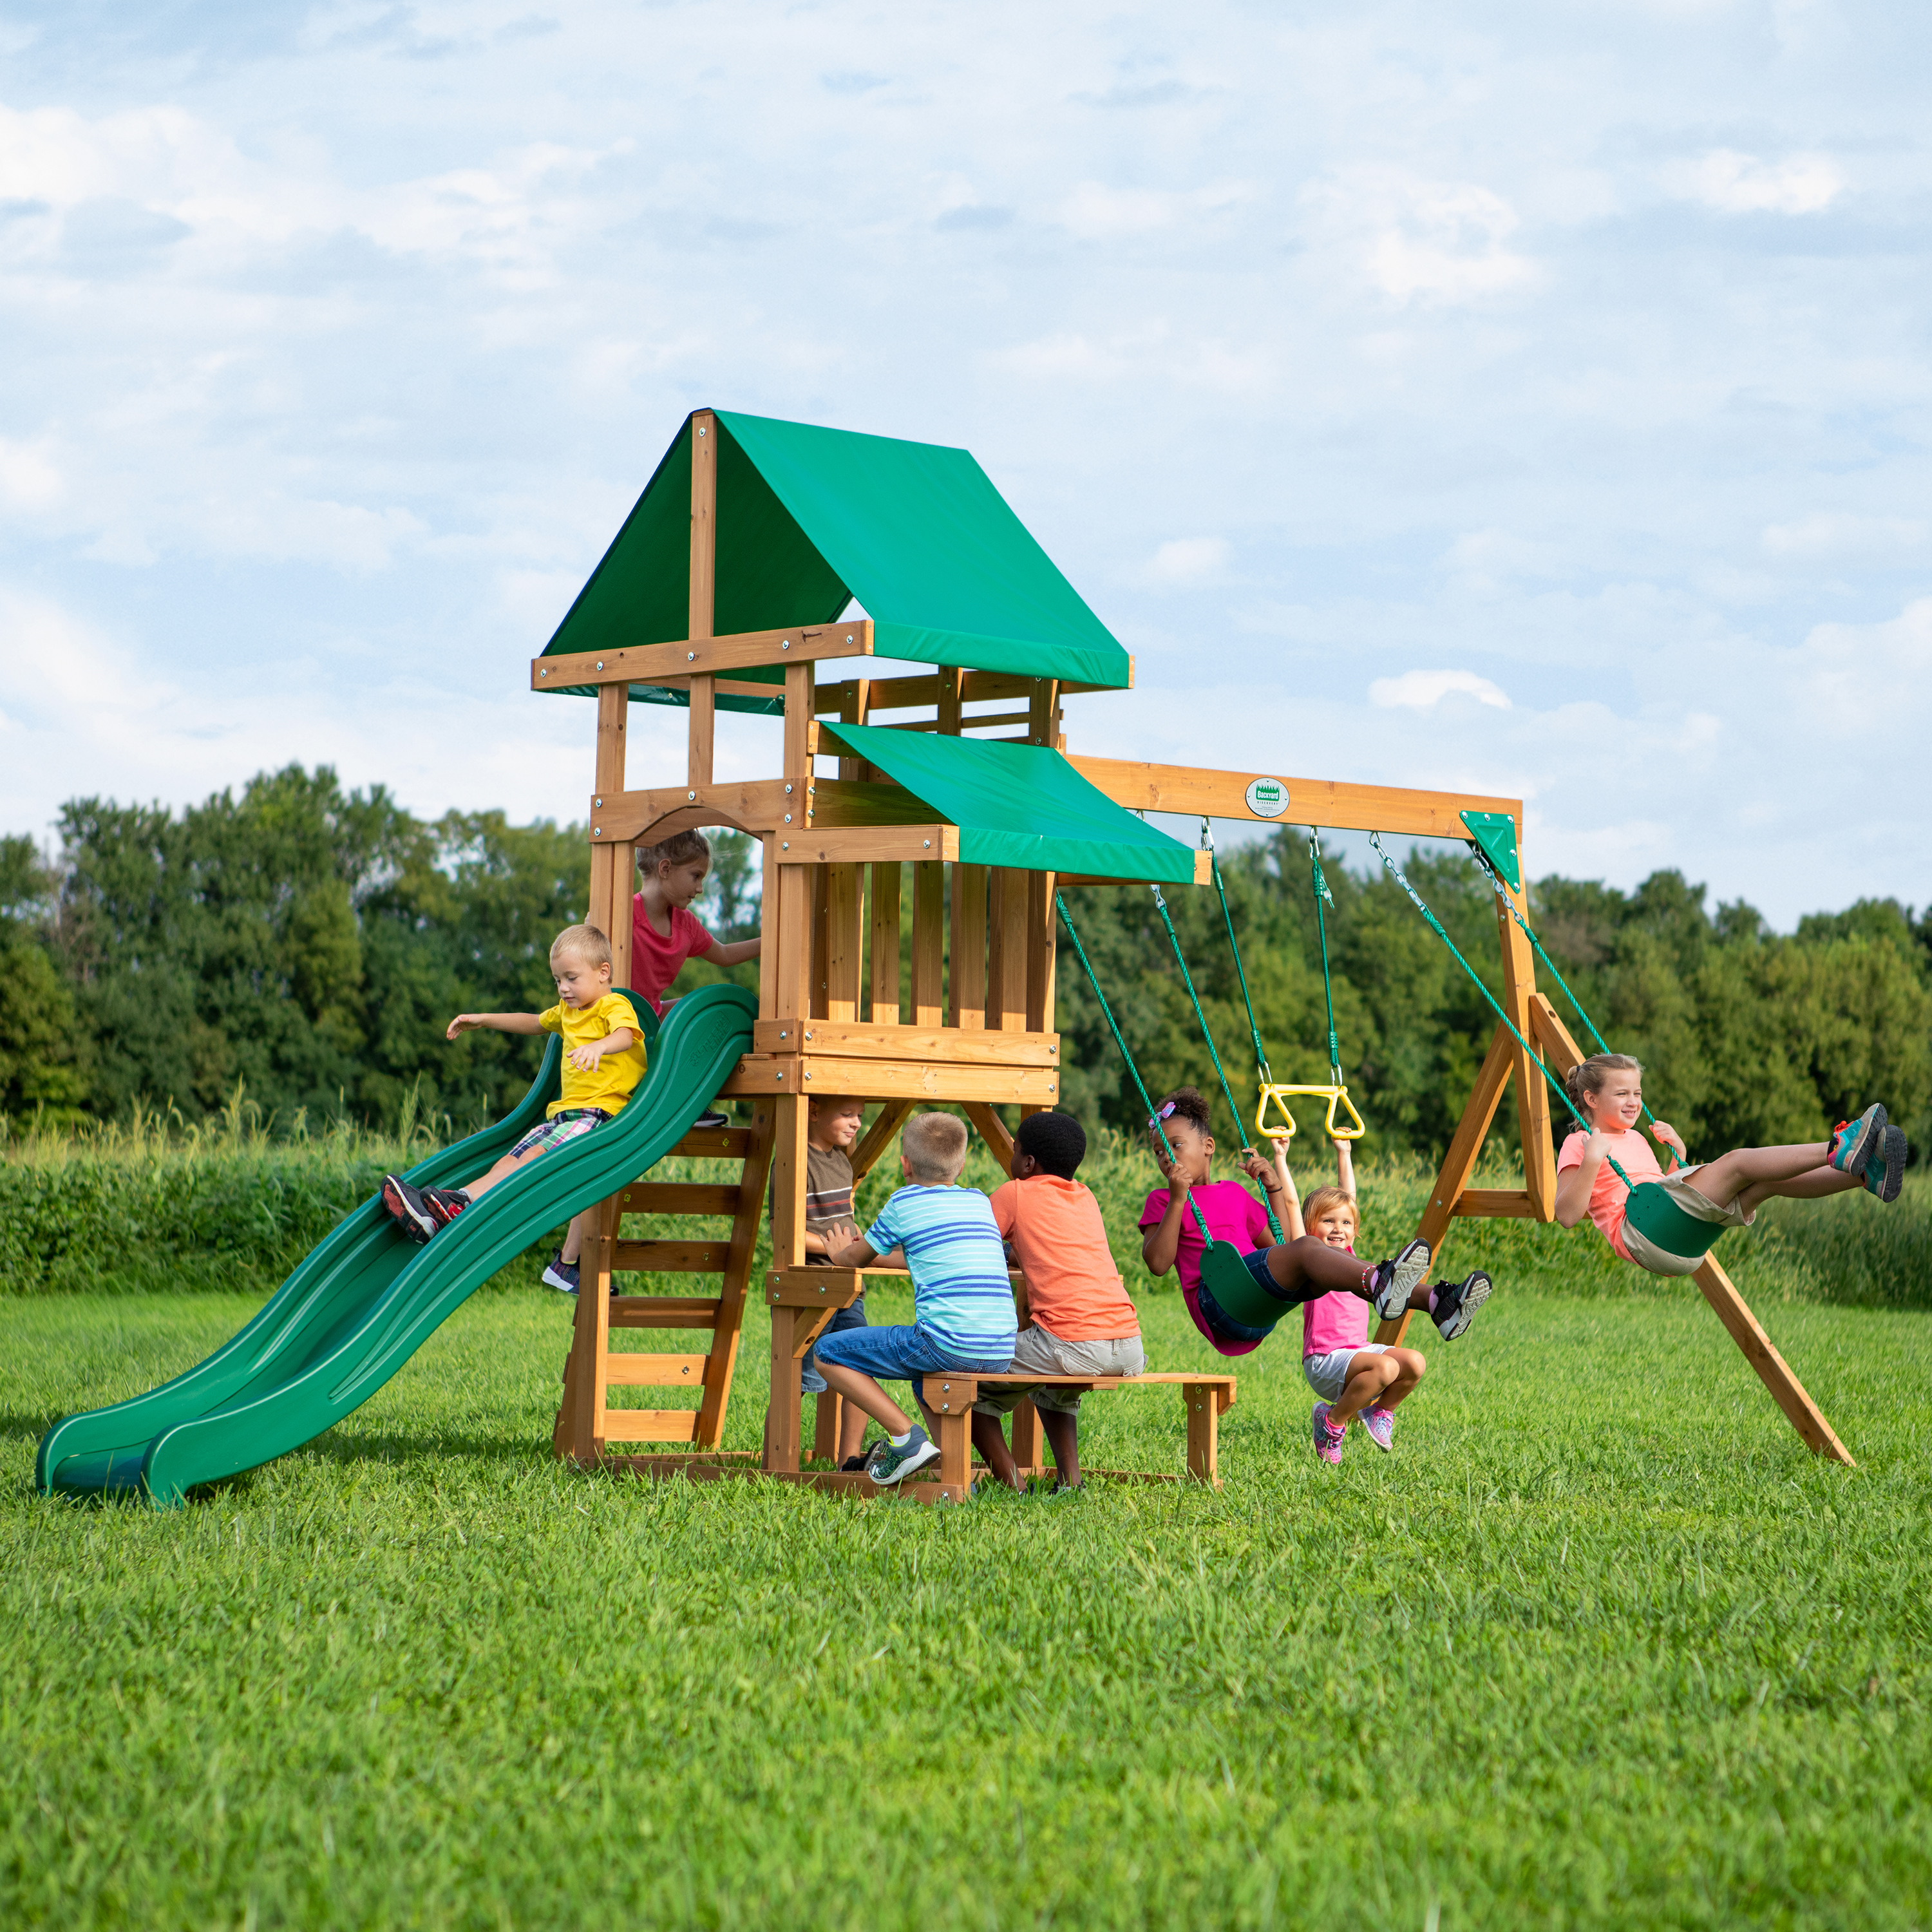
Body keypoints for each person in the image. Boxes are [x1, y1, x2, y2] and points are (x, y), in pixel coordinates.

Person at [380, 923, 646, 1294]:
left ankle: (454, 1206)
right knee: (509, 1162)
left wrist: (599, 1047)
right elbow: (535, 1022)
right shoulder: (568, 1013)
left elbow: (626, 1035)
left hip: (599, 1117)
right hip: (564, 1115)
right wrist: (483, 1020)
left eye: (571, 978)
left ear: (604, 973)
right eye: (557, 980)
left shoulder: (612, 1004)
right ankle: (457, 1205)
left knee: (535, 1157)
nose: (564, 988)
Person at [1139, 1086, 1436, 1356]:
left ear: (1208, 1146)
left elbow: (1278, 1245)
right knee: (1309, 1248)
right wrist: (1178, 1199)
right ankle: (1381, 1281)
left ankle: (1436, 1300)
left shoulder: (1234, 1193)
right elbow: (1158, 1264)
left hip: (1260, 1307)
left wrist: (1273, 1187)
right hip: (1219, 1303)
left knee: (1324, 1262)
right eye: (1159, 1152)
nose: (1166, 1157)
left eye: (1175, 1145)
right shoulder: (1163, 1200)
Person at [1554, 1055, 1908, 1274]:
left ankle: (1865, 1174)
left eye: (1638, 1093)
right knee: (1738, 1162)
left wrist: (1679, 1155)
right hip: (1645, 1237)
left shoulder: (1636, 1138)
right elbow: (1567, 1216)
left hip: (1681, 1240)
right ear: (1591, 1098)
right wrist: (1592, 1160)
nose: (1633, 1102)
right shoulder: (1580, 1143)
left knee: (1766, 1182)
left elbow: (1667, 1197)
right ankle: (1839, 1146)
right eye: (1622, 1094)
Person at [815, 1112, 1018, 1486]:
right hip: (1000, 1348)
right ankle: (958, 1478)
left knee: (827, 1352)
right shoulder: (978, 1202)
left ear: (905, 1165)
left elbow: (852, 1260)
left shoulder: (904, 1203)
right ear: (960, 1164)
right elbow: (918, 1254)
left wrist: (840, 1250)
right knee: (923, 1380)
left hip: (946, 1344)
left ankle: (906, 1437)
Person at [1283, 1135, 1490, 1464]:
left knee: (1414, 1363)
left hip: (1357, 1352)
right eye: (1328, 1222)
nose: (1338, 1228)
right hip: (1324, 1360)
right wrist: (1281, 1158)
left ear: (1355, 1230)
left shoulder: (1352, 1261)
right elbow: (1292, 1206)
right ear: (1311, 1227)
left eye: (1346, 1223)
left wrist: (1344, 1151)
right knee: (1387, 1366)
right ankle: (1331, 1422)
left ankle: (1379, 1412)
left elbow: (1348, 1196)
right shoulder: (1309, 1260)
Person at [973, 1110, 1144, 1497]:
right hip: (1129, 1344)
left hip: (1073, 1346)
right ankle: (1070, 1482)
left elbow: (971, 1242)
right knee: (1051, 1386)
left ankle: (1012, 1487)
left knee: (963, 1384)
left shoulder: (1014, 1192)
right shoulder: (1085, 1196)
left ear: (1028, 1162)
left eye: (1015, 1151)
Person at [631, 829, 761, 1128]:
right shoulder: (623, 914)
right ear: (665, 869)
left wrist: (774, 940)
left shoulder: (685, 925)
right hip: (617, 1021)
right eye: (695, 876)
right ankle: (662, 1098)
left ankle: (690, 1103)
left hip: (651, 1016)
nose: (700, 888)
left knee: (708, 1013)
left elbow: (725, 954)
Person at [777, 1094, 872, 1471]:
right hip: (812, 1282)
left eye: (860, 1116)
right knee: (798, 1377)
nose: (856, 1124)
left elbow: (846, 1221)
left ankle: (848, 1459)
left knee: (860, 1366)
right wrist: (836, 1252)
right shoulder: (796, 1162)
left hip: (848, 1284)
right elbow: (788, 1232)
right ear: (814, 1112)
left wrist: (858, 1249)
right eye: (847, 1114)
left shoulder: (842, 1161)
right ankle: (780, 1459)